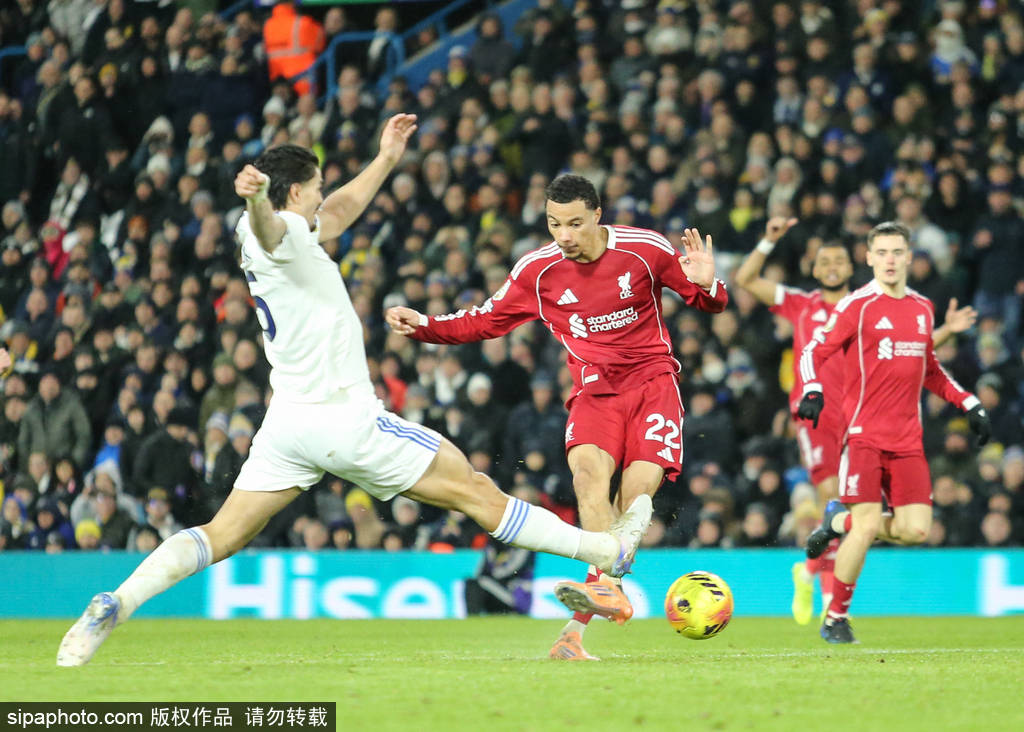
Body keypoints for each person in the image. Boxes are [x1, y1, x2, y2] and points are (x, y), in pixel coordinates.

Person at [56, 120, 652, 667]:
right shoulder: (276, 227)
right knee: (475, 491)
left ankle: (119, 600)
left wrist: (385, 158)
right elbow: (274, 225)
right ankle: (606, 551)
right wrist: (258, 201)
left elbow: (333, 213)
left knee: (221, 534)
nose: (323, 197)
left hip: (287, 425)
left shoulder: (280, 232)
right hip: (345, 422)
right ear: (294, 193)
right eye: (316, 188)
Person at [386, 173, 728, 660]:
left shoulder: (644, 250)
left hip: (652, 385)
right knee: (587, 478)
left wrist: (708, 283)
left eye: (574, 223)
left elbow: (707, 302)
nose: (563, 235)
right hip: (593, 392)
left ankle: (578, 627)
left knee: (634, 496)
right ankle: (609, 589)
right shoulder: (538, 271)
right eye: (553, 224)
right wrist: (425, 325)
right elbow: (486, 319)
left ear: (597, 215)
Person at [734, 218, 977, 625]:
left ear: (853, 266)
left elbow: (910, 350)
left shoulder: (870, 305)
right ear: (813, 268)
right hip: (816, 417)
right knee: (833, 496)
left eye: (839, 261)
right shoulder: (801, 303)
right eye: (824, 261)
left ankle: (809, 571)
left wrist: (947, 332)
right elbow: (745, 279)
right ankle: (830, 598)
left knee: (853, 512)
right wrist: (767, 242)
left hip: (861, 419)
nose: (831, 267)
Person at [796, 222, 991, 643]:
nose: (889, 259)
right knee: (867, 527)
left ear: (909, 257)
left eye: (897, 252)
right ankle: (835, 619)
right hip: (863, 436)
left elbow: (930, 369)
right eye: (881, 252)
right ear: (868, 258)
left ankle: (838, 520)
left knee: (914, 531)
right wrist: (812, 389)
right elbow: (814, 349)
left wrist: (968, 402)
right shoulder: (857, 305)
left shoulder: (922, 308)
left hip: (907, 441)